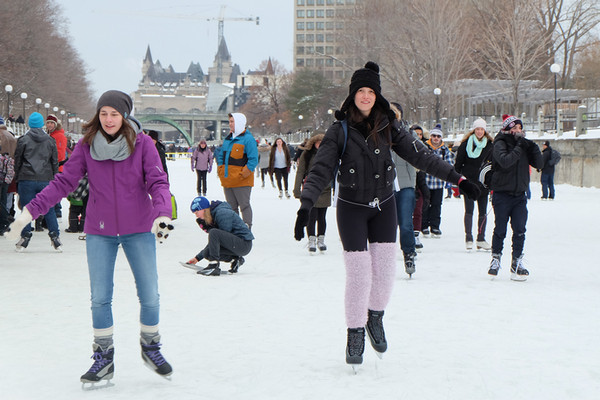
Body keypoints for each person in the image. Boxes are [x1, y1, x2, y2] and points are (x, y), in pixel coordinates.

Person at [293, 62, 480, 366]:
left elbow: (423, 156)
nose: (365, 97)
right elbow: (320, 169)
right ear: (352, 95)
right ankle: (355, 332)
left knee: (384, 272)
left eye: (370, 92)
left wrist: (458, 179)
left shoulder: (390, 126)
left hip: (384, 205)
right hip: (352, 208)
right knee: (359, 275)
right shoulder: (338, 130)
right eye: (360, 92)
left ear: (377, 96)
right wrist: (306, 203)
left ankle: (374, 317)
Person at [6, 90, 174, 385]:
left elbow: (158, 181)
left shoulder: (143, 144)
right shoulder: (86, 146)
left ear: (125, 116)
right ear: (98, 115)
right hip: (100, 229)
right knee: (100, 298)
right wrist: (28, 214)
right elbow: (63, 182)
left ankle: (151, 347)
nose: (109, 119)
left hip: (138, 227)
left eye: (115, 114)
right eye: (104, 113)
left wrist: (162, 213)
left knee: (149, 294)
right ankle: (104, 359)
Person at [488, 114, 543, 281]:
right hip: (502, 194)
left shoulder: (524, 145)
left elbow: (539, 164)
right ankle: (496, 258)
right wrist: (519, 147)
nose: (517, 131)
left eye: (519, 128)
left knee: (519, 229)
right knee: (500, 229)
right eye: (514, 128)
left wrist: (532, 147)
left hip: (519, 195)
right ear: (507, 129)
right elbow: (505, 161)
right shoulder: (499, 143)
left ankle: (517, 262)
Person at [10, 112, 61, 251]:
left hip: (27, 178)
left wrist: (18, 177)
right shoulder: (50, 141)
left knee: (27, 209)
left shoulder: (23, 140)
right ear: (41, 124)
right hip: (45, 179)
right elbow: (54, 162)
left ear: (30, 124)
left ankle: (25, 235)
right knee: (49, 208)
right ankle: (55, 236)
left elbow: (18, 161)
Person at [187, 196, 254, 276]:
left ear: (203, 208)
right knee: (207, 253)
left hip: (244, 244)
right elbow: (215, 243)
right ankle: (235, 260)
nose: (196, 215)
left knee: (214, 233)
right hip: (235, 244)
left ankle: (213, 266)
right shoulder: (214, 215)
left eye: (196, 212)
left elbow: (220, 238)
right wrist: (197, 258)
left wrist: (199, 257)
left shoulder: (222, 213)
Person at [454, 118, 494, 251]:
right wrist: (458, 180)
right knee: (469, 210)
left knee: (483, 211)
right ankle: (469, 237)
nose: (479, 132)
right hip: (468, 182)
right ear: (474, 130)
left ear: (485, 130)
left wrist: (492, 181)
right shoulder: (465, 144)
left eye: (482, 129)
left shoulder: (490, 145)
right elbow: (458, 165)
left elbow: (492, 165)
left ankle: (481, 238)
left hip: (483, 183)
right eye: (477, 129)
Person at [389, 102, 418, 277]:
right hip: (385, 186)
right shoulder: (379, 133)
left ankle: (409, 254)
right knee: (386, 226)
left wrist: (412, 183)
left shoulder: (407, 134)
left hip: (405, 184)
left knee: (406, 223)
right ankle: (384, 258)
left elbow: (415, 159)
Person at [216, 112, 258, 229]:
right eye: (229, 121)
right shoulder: (228, 139)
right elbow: (221, 157)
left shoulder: (248, 139)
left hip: (242, 181)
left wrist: (243, 174)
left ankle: (246, 227)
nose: (230, 124)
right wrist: (220, 170)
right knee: (231, 207)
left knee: (244, 205)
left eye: (232, 121)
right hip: (228, 180)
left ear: (239, 123)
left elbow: (253, 160)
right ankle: (235, 228)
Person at [293, 133, 331, 253]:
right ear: (313, 143)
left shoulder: (329, 155)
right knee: (312, 215)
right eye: (317, 142)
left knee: (322, 216)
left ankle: (321, 239)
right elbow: (300, 171)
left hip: (325, 188)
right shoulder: (307, 154)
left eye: (322, 142)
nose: (319, 145)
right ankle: (312, 239)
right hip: (311, 187)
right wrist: (296, 188)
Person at [422, 123, 455, 237]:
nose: (436, 138)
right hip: (425, 181)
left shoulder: (444, 150)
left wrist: (449, 180)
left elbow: (449, 165)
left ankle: (435, 226)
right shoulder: (425, 147)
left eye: (438, 136)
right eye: (434, 136)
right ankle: (424, 225)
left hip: (438, 183)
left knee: (436, 205)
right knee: (425, 204)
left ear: (441, 138)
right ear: (431, 136)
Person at [46, 114, 67, 219]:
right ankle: (56, 210)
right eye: (48, 123)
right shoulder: (51, 135)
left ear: (55, 124)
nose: (49, 125)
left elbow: (60, 153)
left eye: (51, 123)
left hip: (57, 167)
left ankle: (57, 210)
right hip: (52, 167)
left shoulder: (59, 136)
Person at [0, 116, 17, 235]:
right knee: (5, 199)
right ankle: (5, 223)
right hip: (9, 172)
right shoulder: (11, 136)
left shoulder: (1, 136)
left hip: (1, 170)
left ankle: (5, 221)